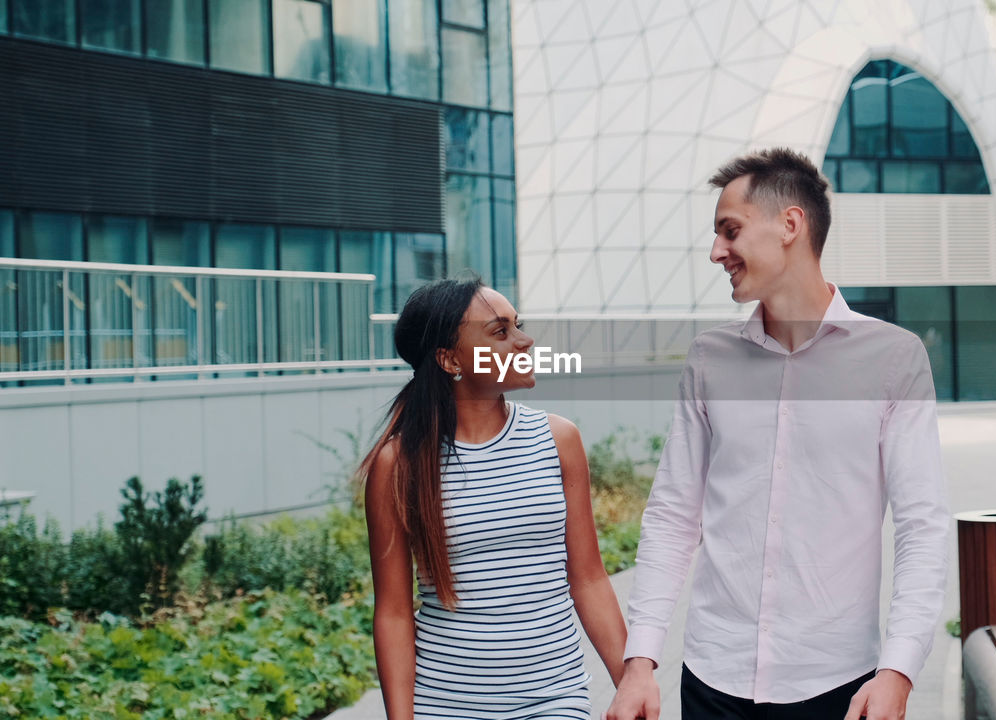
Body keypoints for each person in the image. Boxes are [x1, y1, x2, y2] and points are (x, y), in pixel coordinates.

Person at [605, 148, 950, 720]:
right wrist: (639, 662)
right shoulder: (709, 359)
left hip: (837, 683)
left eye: (730, 230)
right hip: (713, 675)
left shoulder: (894, 358)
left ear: (790, 225)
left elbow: (922, 526)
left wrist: (899, 670)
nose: (717, 252)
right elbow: (672, 514)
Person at [361, 278, 628, 720]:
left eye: (517, 325)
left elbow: (589, 578)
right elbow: (392, 612)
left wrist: (630, 681)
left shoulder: (559, 440)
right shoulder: (399, 464)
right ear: (449, 359)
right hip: (445, 706)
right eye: (500, 332)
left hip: (555, 700)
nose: (525, 341)